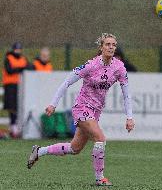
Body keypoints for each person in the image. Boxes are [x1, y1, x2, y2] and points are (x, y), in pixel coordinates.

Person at [27, 33, 135, 186]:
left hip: (96, 111)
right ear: (101, 47)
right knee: (100, 139)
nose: (111, 47)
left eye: (113, 45)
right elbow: (66, 82)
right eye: (107, 44)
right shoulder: (90, 65)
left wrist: (129, 117)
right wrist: (53, 104)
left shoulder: (119, 67)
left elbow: (126, 94)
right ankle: (99, 179)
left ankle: (39, 151)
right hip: (82, 107)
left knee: (74, 148)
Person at [2, 42, 32, 138]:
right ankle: (13, 126)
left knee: (19, 106)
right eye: (16, 49)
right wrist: (21, 68)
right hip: (10, 85)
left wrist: (19, 68)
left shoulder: (23, 59)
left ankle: (17, 127)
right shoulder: (8, 58)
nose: (18, 51)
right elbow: (9, 70)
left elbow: (30, 67)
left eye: (19, 50)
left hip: (21, 85)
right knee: (12, 106)